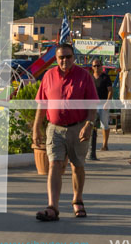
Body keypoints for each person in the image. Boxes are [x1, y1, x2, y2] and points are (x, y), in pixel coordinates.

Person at [33, 42, 98, 221]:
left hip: (78, 128)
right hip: (54, 129)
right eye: (61, 57)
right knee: (54, 164)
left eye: (68, 57)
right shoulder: (48, 76)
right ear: (56, 58)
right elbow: (41, 104)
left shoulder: (84, 76)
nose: (64, 60)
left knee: (77, 165)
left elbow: (92, 104)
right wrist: (36, 128)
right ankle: (52, 206)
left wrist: (88, 125)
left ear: (73, 57)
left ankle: (78, 200)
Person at [90, 59, 113, 151]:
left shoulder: (105, 77)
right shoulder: (90, 78)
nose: (96, 67)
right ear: (92, 67)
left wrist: (108, 102)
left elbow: (110, 90)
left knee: (104, 125)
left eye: (98, 65)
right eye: (94, 66)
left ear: (101, 66)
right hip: (92, 105)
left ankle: (105, 144)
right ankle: (91, 144)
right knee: (90, 124)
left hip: (103, 105)